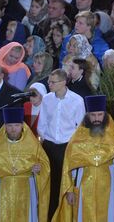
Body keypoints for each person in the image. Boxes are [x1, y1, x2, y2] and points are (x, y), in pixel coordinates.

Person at [53, 95, 114, 221]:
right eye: (93, 115)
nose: (96, 119)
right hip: (84, 184)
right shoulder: (77, 139)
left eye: (99, 115)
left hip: (109, 184)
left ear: (105, 115)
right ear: (87, 116)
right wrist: (70, 189)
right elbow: (70, 165)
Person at [0, 107, 51, 222]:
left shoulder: (33, 145)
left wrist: (39, 168)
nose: (13, 129)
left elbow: (44, 165)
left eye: (16, 125)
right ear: (5, 127)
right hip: (1, 190)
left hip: (26, 190)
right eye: (10, 126)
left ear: (22, 126)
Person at [37, 69, 85, 219]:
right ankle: (50, 216)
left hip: (67, 147)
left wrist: (74, 146)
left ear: (64, 82)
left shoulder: (77, 100)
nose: (49, 84)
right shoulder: (46, 99)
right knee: (51, 184)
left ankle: (66, 216)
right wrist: (45, 139)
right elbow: (42, 123)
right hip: (50, 146)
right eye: (49, 81)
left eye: (53, 82)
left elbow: (80, 127)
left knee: (66, 183)